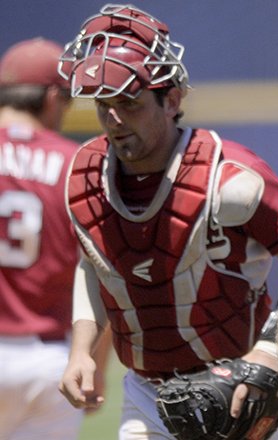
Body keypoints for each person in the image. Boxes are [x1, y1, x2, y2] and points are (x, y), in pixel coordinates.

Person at [56, 4, 278, 439]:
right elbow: (96, 264)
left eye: (129, 103)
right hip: (146, 394)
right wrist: (82, 352)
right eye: (103, 105)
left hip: (240, 387)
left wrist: (268, 354)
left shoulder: (229, 177)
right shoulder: (86, 176)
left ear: (171, 101)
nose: (113, 119)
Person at [0, 38, 111, 439]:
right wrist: (94, 364)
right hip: (44, 358)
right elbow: (102, 271)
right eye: (65, 98)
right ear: (51, 96)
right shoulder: (76, 167)